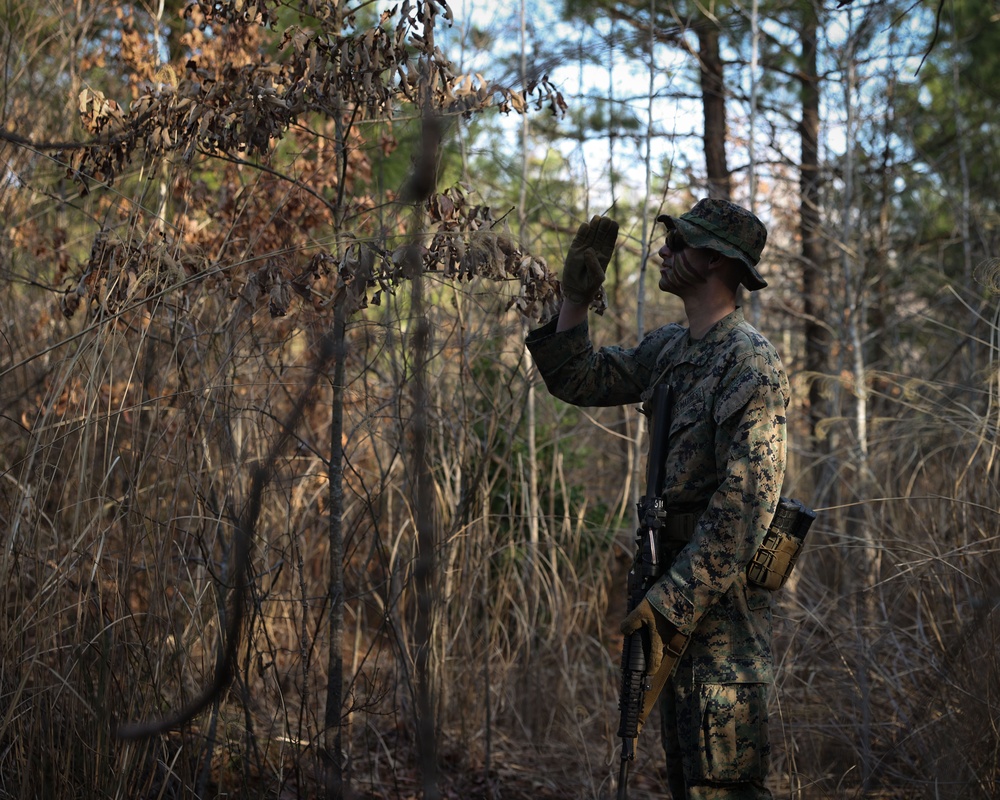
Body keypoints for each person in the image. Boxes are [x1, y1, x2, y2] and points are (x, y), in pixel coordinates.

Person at [525, 199, 789, 799]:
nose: (663, 254)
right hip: (665, 581)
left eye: (680, 244)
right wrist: (573, 300)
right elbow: (578, 378)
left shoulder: (750, 362)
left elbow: (744, 513)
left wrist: (670, 603)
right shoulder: (671, 348)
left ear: (718, 261)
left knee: (723, 784)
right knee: (681, 775)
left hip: (718, 607)